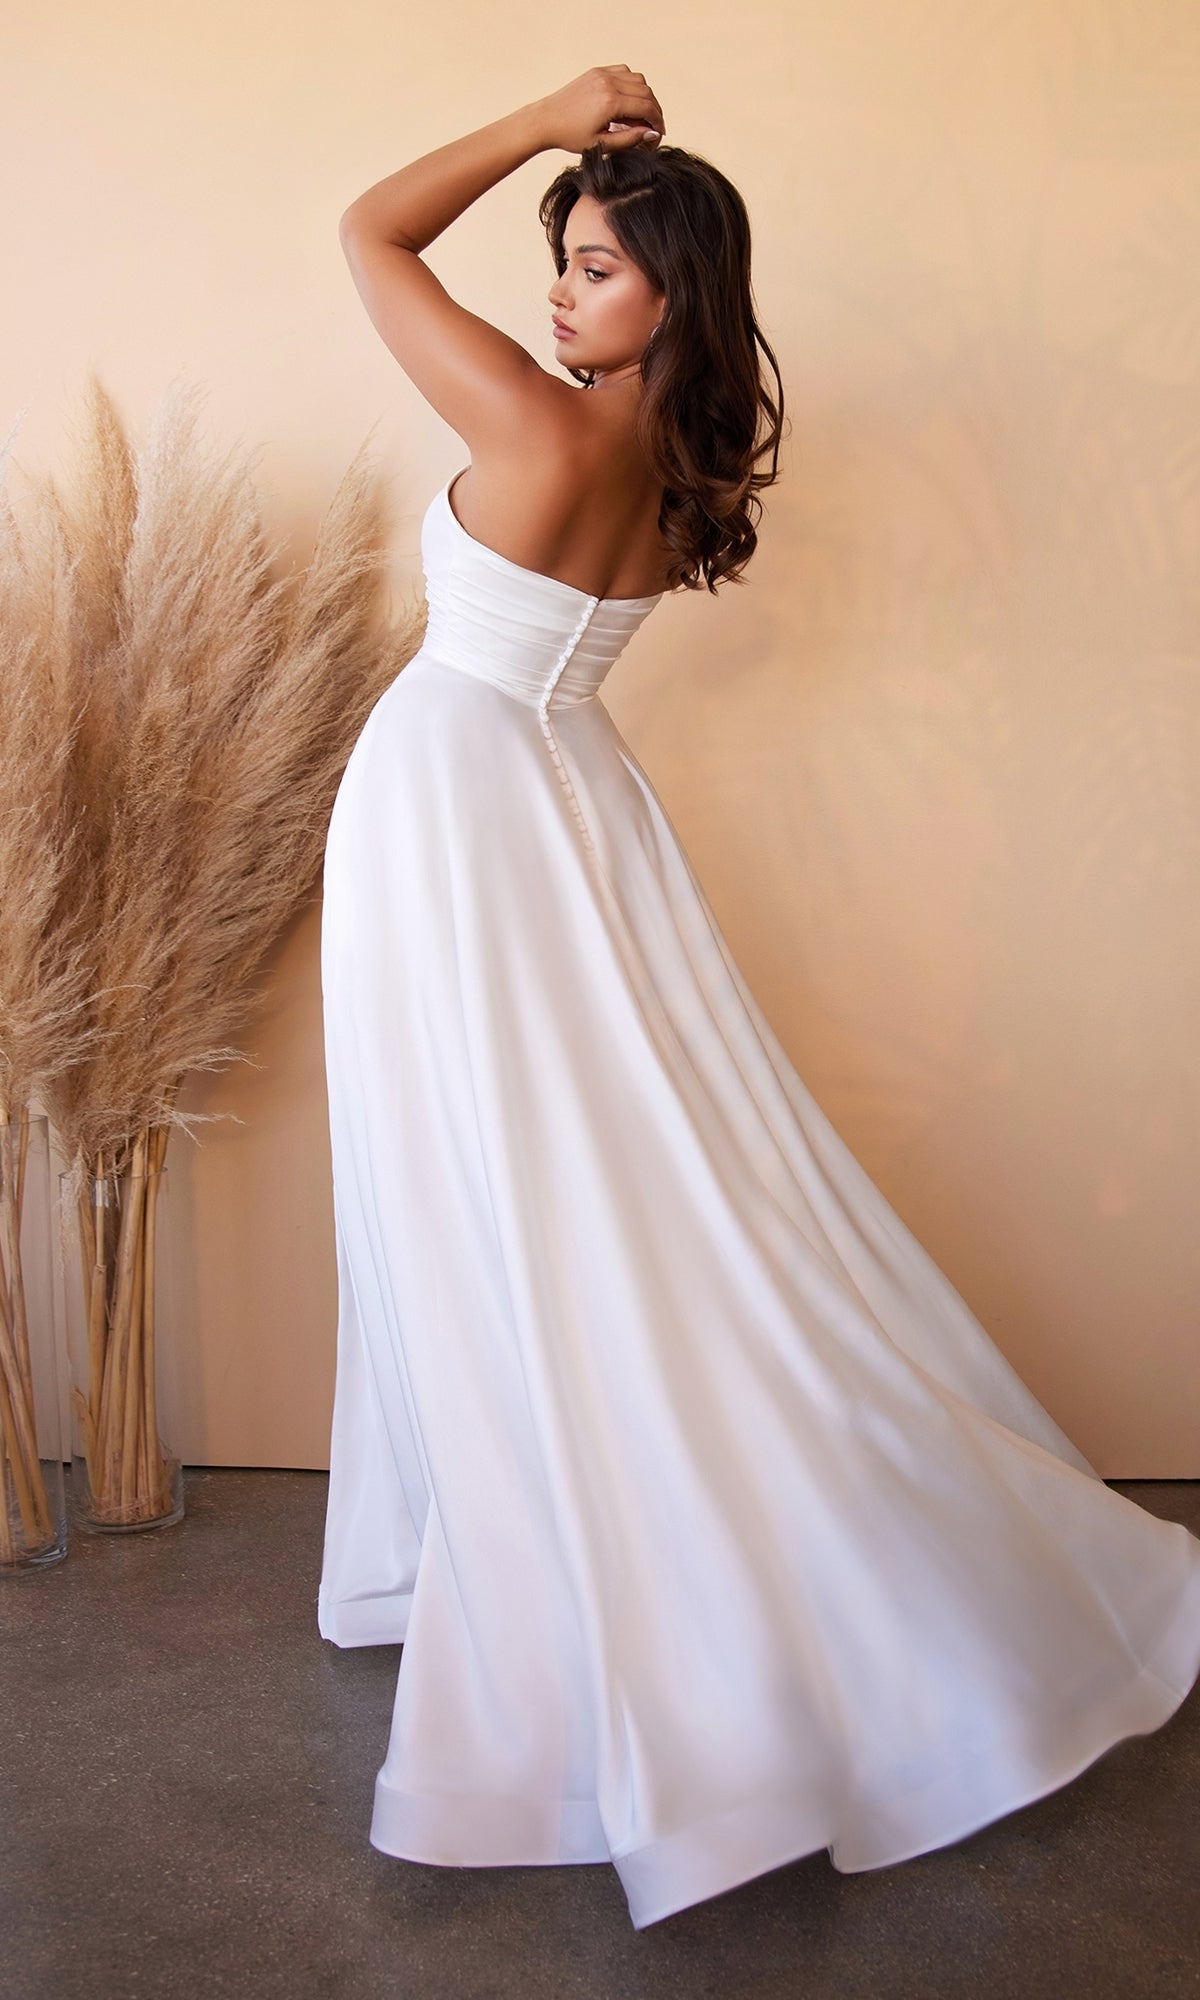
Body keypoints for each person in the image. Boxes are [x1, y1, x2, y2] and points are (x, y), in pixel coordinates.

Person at [316, 67, 1200, 1933]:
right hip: (572, 808)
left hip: (461, 807)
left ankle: (549, 1533)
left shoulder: (534, 425)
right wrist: (584, 166)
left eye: (597, 267)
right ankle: (606, 1499)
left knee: (484, 1176)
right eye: (564, 263)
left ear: (675, 297)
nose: (562, 292)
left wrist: (547, 115)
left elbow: (367, 229)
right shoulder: (666, 476)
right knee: (621, 1182)